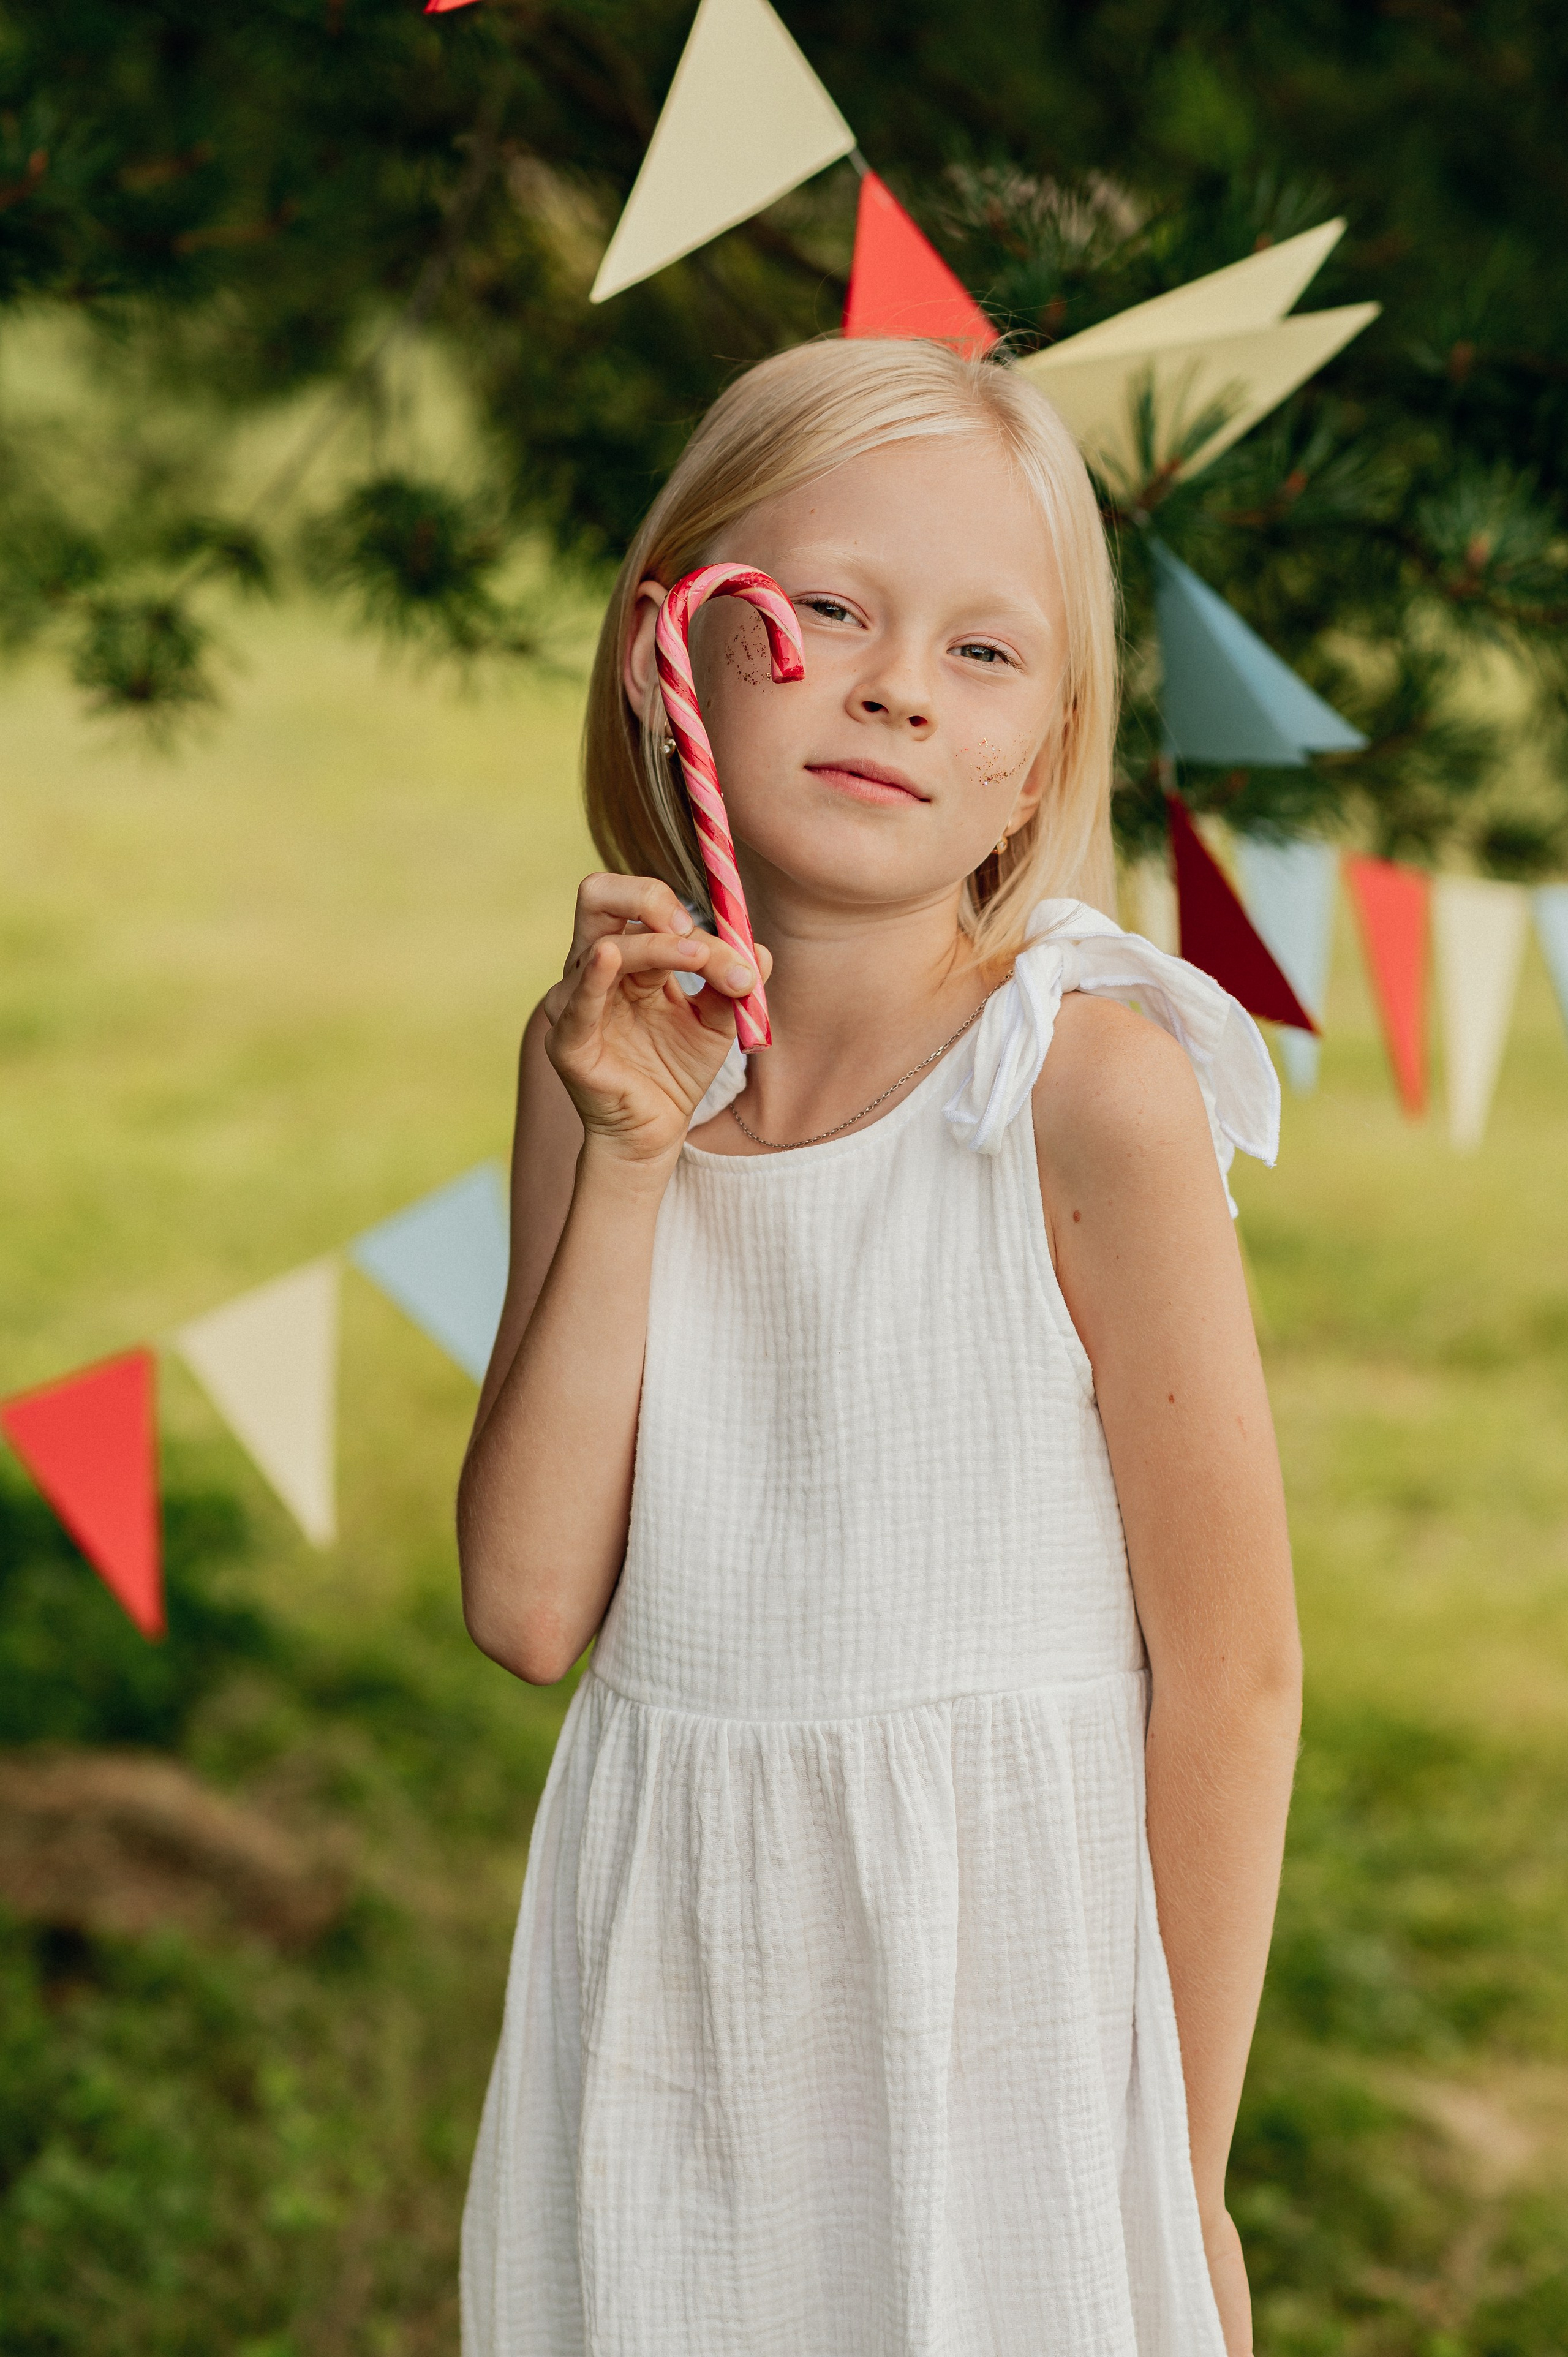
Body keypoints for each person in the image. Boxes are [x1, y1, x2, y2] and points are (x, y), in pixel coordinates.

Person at [456, 337, 1302, 2357]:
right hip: (671, 1978)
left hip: (1004, 2012)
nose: (898, 683)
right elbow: (525, 1603)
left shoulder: (1082, 1086)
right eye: (824, 609)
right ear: (678, 646)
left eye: (984, 654)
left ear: (1041, 754)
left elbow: (1239, 1670)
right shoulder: (598, 1070)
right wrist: (637, 1159)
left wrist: (1173, 2160)